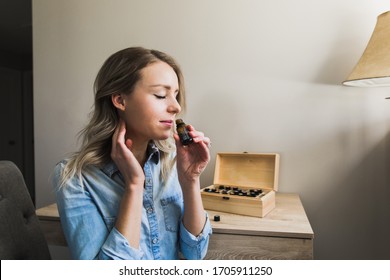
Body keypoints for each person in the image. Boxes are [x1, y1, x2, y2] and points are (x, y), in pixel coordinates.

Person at [52, 47, 212, 260]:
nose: (175, 107)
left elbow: (195, 253)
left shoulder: (174, 162)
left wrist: (190, 180)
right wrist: (134, 186)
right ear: (119, 100)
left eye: (175, 95)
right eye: (160, 95)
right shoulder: (75, 178)